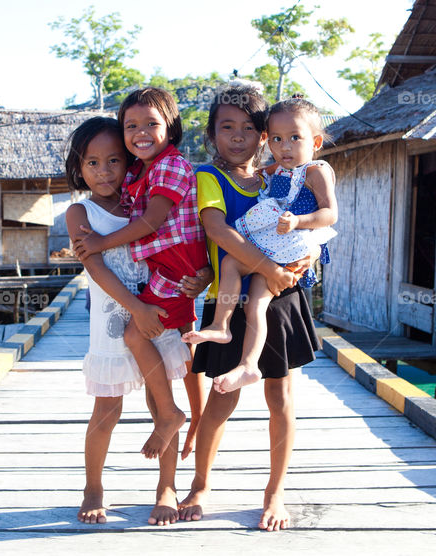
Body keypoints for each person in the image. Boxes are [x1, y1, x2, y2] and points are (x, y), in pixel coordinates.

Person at [177, 85, 321, 531]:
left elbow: (315, 222)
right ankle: (201, 484)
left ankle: (274, 492)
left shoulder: (282, 176)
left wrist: (310, 253)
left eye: (248, 128)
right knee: (221, 397)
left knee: (281, 396)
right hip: (228, 298)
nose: (237, 137)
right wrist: (266, 267)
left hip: (283, 298)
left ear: (264, 135)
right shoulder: (208, 177)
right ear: (212, 134)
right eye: (226, 128)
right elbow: (217, 229)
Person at [73, 88, 210, 524]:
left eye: (113, 160)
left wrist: (205, 274)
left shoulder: (142, 194)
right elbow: (96, 268)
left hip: (158, 309)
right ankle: (93, 485)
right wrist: (137, 309)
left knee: (159, 402)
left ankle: (166, 487)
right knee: (107, 409)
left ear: (128, 160)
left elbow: (187, 235)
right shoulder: (81, 213)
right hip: (118, 320)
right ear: (79, 167)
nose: (104, 171)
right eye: (92, 163)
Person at [183, 97, 337, 394]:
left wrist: (299, 222)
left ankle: (238, 350)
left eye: (295, 138)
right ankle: (230, 338)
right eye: (278, 139)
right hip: (272, 249)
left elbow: (330, 215)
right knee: (240, 278)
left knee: (254, 299)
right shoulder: (275, 171)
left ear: (315, 141)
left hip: (290, 245)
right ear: (269, 140)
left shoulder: (316, 170)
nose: (286, 146)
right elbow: (250, 182)